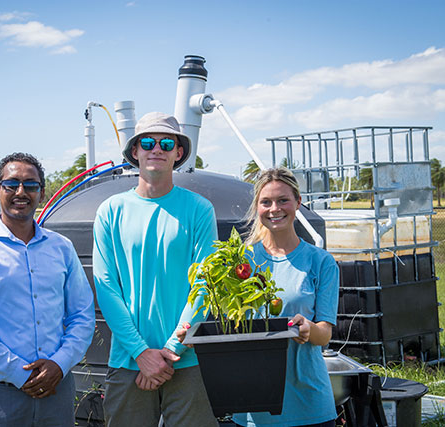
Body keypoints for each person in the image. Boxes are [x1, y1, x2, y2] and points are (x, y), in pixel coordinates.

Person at [0, 152, 95, 426]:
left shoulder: (61, 248)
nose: (21, 192)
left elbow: (82, 316)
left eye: (30, 185)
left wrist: (60, 364)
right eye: (11, 184)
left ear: (40, 192)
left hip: (56, 391)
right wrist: (20, 372)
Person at [92, 112, 219, 427]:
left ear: (178, 153)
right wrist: (141, 352)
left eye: (166, 143)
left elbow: (203, 287)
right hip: (128, 360)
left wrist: (170, 349)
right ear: (135, 151)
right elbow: (106, 287)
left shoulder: (200, 210)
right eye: (147, 142)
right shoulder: (111, 211)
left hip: (185, 360)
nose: (156, 148)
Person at [233, 168, 339, 427]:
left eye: (283, 200)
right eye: (265, 202)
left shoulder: (320, 262)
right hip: (253, 406)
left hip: (308, 403)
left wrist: (308, 328)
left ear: (298, 203)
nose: (274, 209)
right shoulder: (241, 262)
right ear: (257, 207)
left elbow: (324, 334)